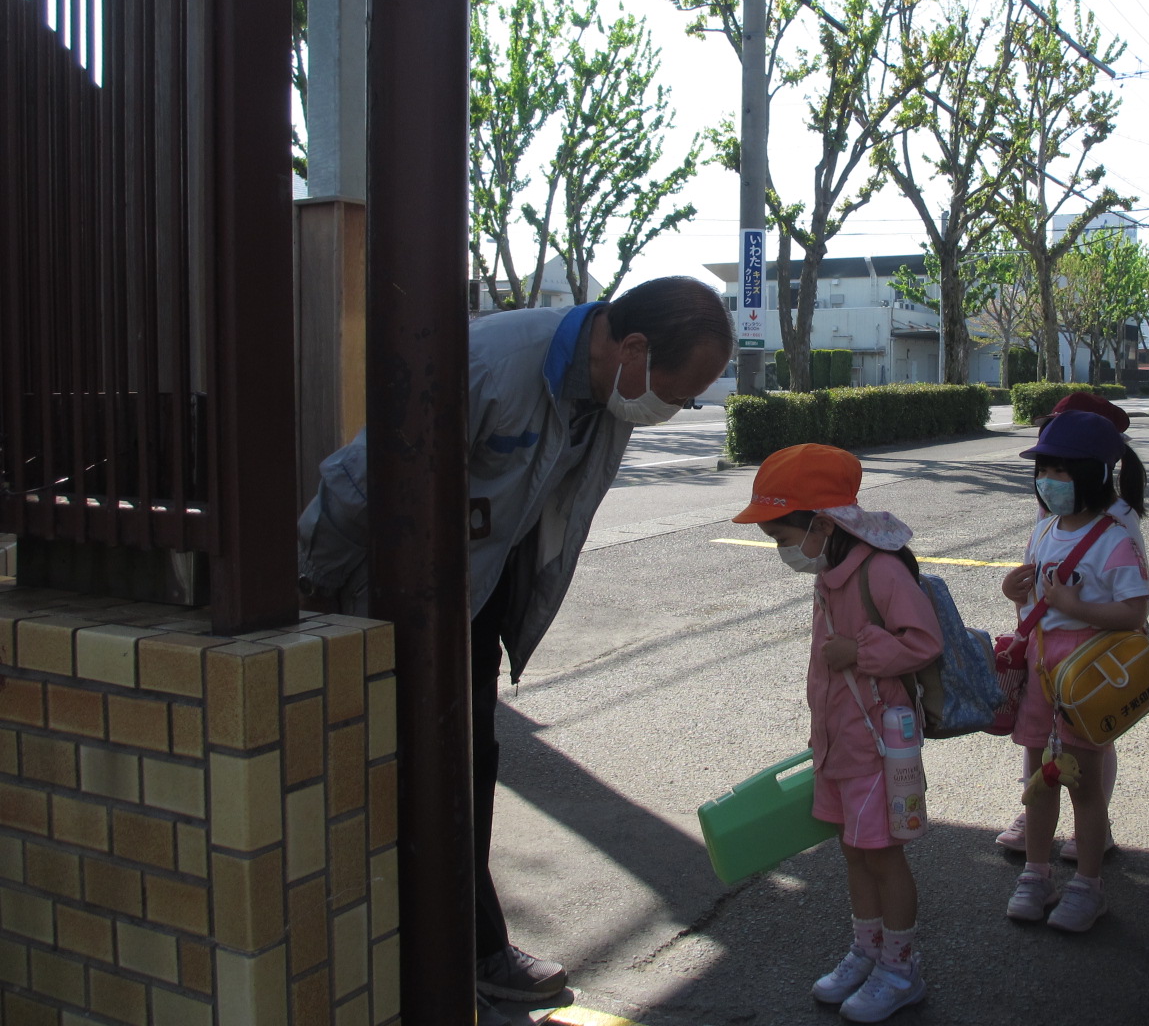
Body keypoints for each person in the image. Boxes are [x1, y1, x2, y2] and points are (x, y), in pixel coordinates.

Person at [297, 276, 733, 1018]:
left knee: (467, 765)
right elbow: (359, 480)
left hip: (475, 593)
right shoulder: (490, 363)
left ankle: (464, 947)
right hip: (401, 597)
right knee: (413, 773)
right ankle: (442, 953)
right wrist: (310, 586)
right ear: (632, 347)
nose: (677, 410)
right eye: (679, 390)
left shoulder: (611, 392)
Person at [732, 444, 942, 1023]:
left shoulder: (881, 570)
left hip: (879, 749)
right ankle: (866, 951)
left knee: (884, 858)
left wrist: (863, 650)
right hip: (839, 746)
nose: (781, 550)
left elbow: (925, 643)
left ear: (822, 523)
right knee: (854, 854)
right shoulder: (830, 571)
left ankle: (901, 969)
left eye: (782, 537)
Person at [998, 411, 1149, 933]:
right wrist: (1015, 594)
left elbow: (1135, 611)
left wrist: (1076, 606)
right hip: (1043, 670)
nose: (1050, 482)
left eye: (1063, 472)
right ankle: (1035, 876)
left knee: (1084, 786)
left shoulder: (1115, 539)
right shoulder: (1043, 531)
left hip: (1087, 678)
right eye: (1045, 470)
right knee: (1039, 780)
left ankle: (1088, 885)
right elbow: (1033, 603)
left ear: (1093, 475)